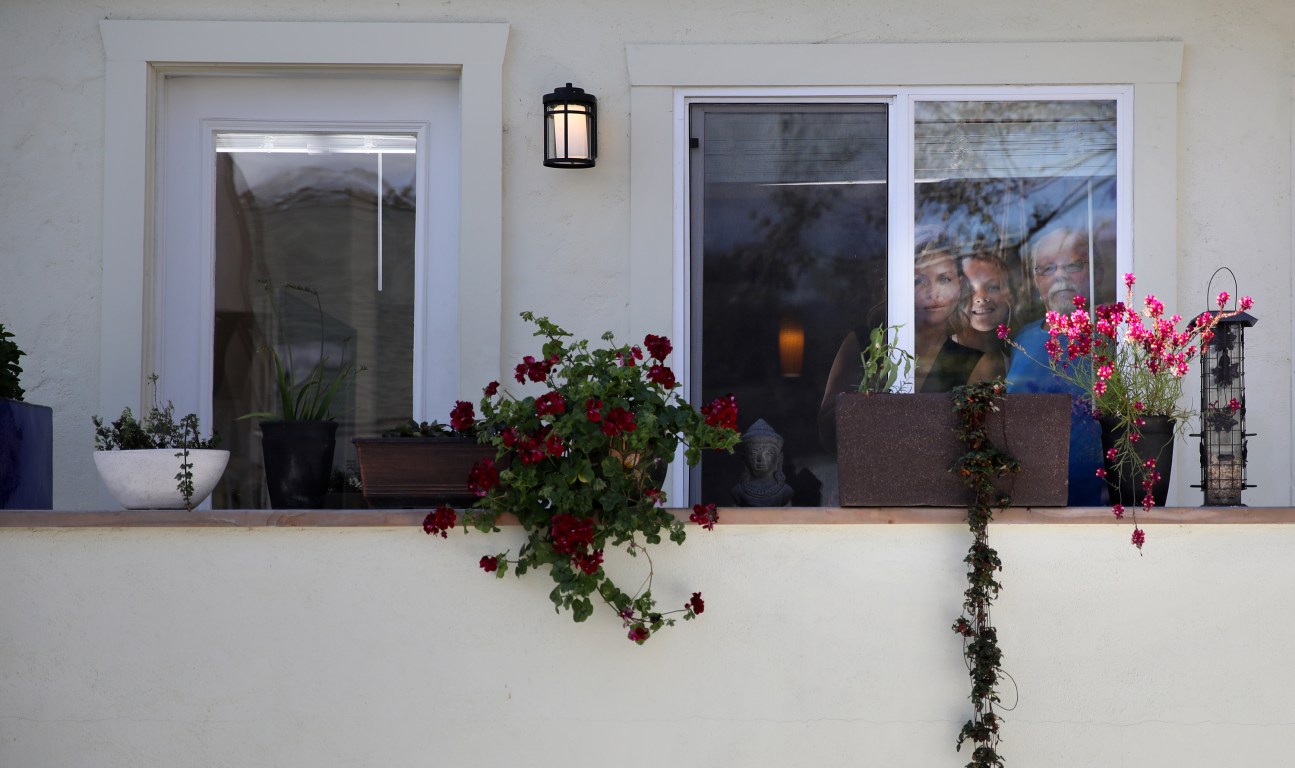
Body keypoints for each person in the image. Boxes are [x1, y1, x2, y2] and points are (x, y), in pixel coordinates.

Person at [1005, 228, 1106, 506]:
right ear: (1036, 281)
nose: (1060, 275)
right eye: (1048, 268)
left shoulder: (1113, 338)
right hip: (1024, 499)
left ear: (1097, 273)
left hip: (1100, 502)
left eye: (1073, 265)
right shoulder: (1020, 341)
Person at [952, 252, 1015, 382]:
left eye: (993, 287)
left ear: (1009, 296)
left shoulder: (1015, 360)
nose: (981, 297)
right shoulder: (939, 354)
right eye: (969, 290)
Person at [731, 419, 795, 506]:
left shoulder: (785, 492)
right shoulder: (738, 492)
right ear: (744, 459)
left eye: (768, 453)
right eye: (753, 453)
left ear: (779, 458)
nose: (760, 459)